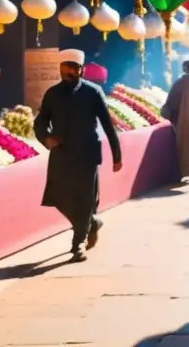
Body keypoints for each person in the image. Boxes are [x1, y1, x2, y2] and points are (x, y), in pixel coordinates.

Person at [34, 49, 122, 262]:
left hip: (86, 155)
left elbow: (108, 126)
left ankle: (78, 244)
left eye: (70, 73)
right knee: (58, 197)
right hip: (61, 154)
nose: (66, 77)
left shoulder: (93, 92)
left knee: (84, 200)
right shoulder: (52, 93)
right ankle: (91, 223)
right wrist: (46, 138)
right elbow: (40, 122)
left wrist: (117, 155)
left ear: (80, 71)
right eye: (63, 73)